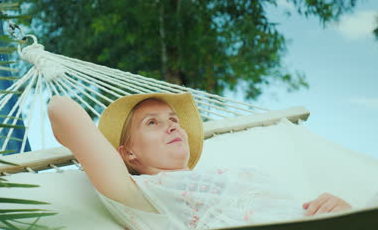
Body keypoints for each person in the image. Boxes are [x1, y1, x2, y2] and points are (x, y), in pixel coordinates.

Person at [47, 92, 355, 229]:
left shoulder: (231, 174)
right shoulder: (141, 194)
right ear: (128, 153)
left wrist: (340, 210)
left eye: (172, 119)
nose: (171, 125)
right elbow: (61, 109)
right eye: (152, 123)